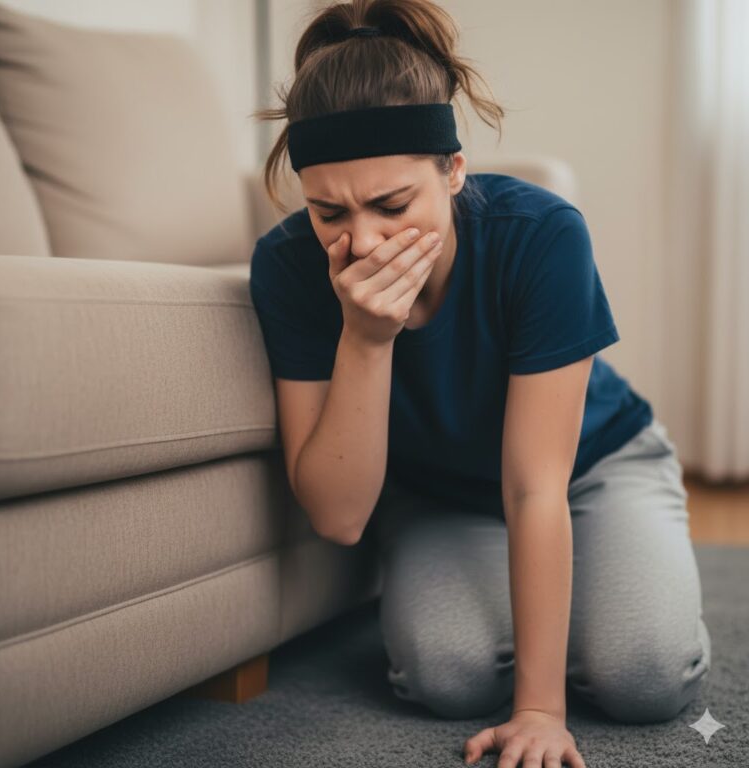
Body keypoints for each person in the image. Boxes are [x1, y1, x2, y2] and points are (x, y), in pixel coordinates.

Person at [248, 1, 712, 766]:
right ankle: (541, 604)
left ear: (454, 172)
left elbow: (536, 488)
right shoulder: (289, 265)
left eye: (392, 205)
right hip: (438, 495)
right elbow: (337, 518)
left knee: (642, 676)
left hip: (587, 470)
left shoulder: (542, 236)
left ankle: (616, 586)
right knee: (448, 676)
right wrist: (366, 339)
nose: (361, 242)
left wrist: (539, 709)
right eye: (329, 211)